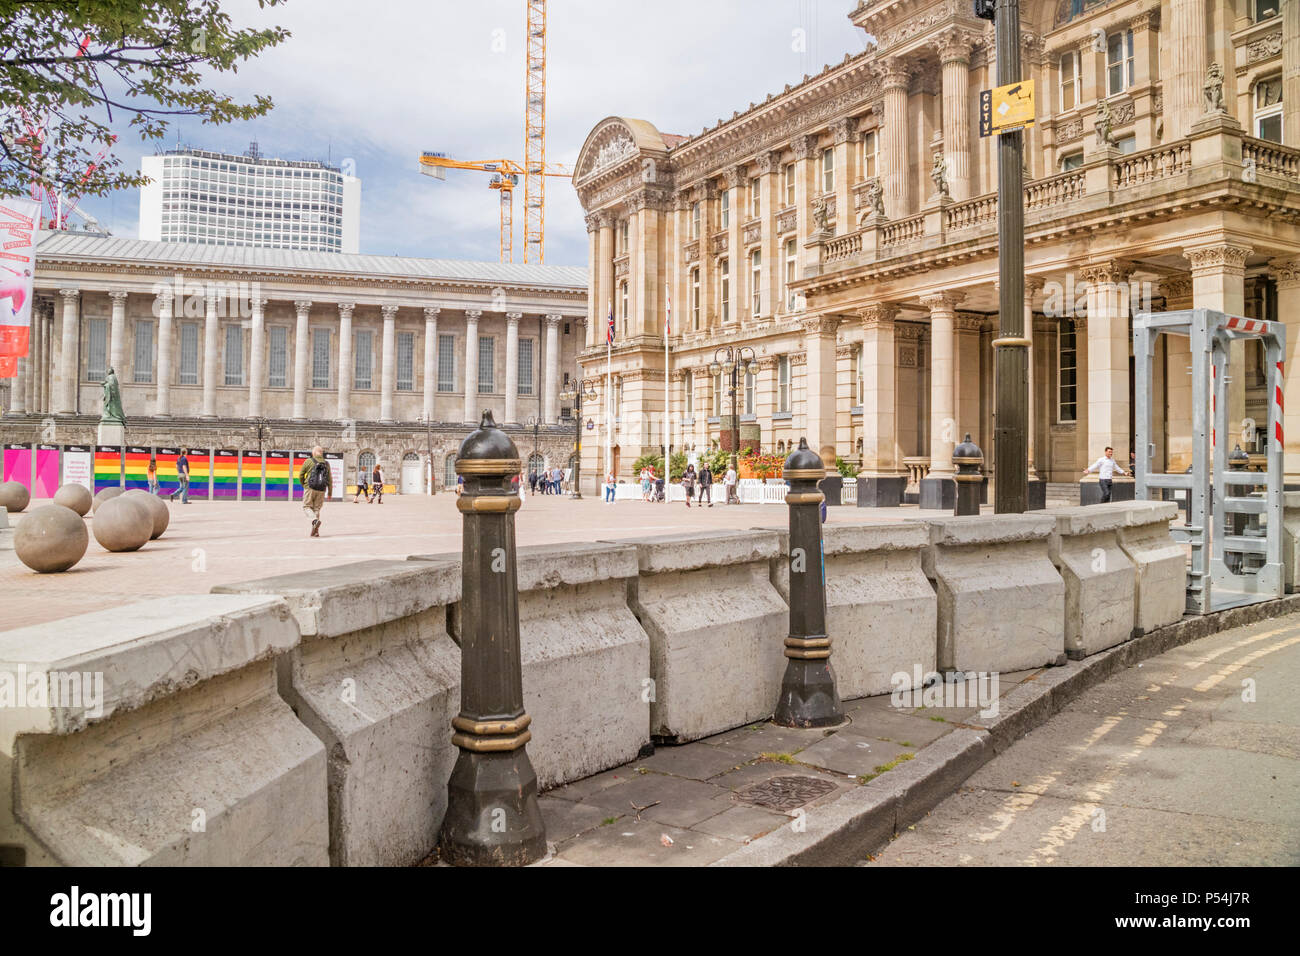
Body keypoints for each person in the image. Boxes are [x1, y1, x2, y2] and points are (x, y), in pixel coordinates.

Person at [298, 445, 332, 537]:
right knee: (316, 509)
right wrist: (329, 493)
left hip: (310, 487)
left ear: (313, 453)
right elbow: (329, 479)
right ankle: (315, 531)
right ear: (321, 453)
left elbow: (301, 475)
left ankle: (314, 520)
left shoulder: (308, 461)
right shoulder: (326, 463)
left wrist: (304, 485)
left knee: (306, 507)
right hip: (321, 489)